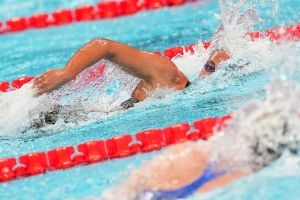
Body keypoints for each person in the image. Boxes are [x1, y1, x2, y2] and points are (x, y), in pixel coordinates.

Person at [32, 38, 230, 109]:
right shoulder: (165, 71)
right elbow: (105, 46)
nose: (209, 66)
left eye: (211, 67)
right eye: (210, 65)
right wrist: (66, 73)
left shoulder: (175, 86)